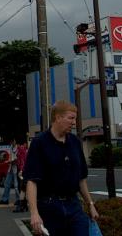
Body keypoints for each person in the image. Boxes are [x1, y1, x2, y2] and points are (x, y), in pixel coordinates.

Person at [23, 100, 99, 235]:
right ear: (58, 117)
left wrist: (90, 205)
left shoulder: (75, 142)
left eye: (75, 119)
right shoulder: (39, 143)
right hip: (49, 206)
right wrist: (34, 213)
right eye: (71, 118)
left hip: (74, 204)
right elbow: (32, 180)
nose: (74, 123)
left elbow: (81, 178)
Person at [0, 140, 20, 206]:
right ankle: (5, 199)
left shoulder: (18, 148)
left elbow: (17, 159)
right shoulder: (11, 148)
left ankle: (19, 199)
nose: (11, 143)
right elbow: (11, 157)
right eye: (11, 142)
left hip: (16, 169)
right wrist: (9, 161)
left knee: (16, 185)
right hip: (11, 168)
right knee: (7, 183)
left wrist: (9, 161)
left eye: (12, 141)